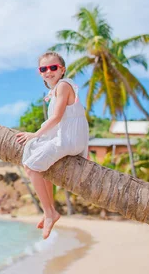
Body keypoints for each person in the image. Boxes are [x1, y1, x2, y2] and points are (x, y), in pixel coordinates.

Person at [15, 51, 89, 239]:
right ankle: (49, 210)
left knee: (31, 167)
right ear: (39, 72)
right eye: (43, 69)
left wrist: (35, 134)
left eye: (53, 67)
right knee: (38, 159)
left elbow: (56, 118)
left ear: (62, 70)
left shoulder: (63, 86)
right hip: (68, 137)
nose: (49, 71)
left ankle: (49, 213)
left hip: (69, 140)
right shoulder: (57, 89)